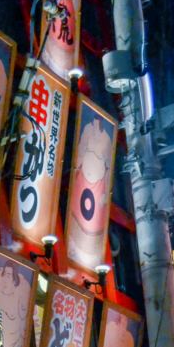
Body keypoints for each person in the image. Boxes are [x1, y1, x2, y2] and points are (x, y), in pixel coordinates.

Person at [66, 115, 114, 271]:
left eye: (96, 126)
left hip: (98, 180)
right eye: (93, 125)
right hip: (83, 176)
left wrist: (105, 193)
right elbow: (80, 149)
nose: (94, 129)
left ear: (101, 127)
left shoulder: (107, 139)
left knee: (94, 221)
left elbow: (109, 168)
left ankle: (91, 255)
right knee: (76, 212)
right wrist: (75, 168)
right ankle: (72, 243)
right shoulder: (86, 129)